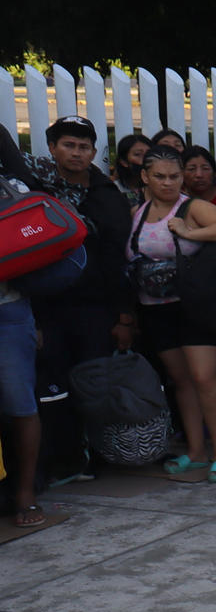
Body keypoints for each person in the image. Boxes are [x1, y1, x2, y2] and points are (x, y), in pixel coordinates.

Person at [3, 113, 134, 494]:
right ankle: (59, 461)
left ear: (95, 151)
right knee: (50, 387)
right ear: (53, 148)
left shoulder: (108, 196)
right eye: (68, 145)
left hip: (96, 309)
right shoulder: (32, 195)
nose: (76, 153)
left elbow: (118, 259)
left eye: (83, 146)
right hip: (47, 307)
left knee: (92, 383)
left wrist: (123, 316)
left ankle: (95, 457)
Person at [125, 147, 216, 481]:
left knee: (204, 378)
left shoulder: (192, 207)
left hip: (194, 306)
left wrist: (190, 232)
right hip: (154, 308)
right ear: (145, 177)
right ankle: (195, 452)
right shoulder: (137, 212)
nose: (168, 183)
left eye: (175, 176)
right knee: (181, 382)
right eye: (160, 176)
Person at [180, 147, 216, 214]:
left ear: (214, 172)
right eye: (191, 169)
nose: (199, 175)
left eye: (205, 168)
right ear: (181, 173)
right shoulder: (175, 200)